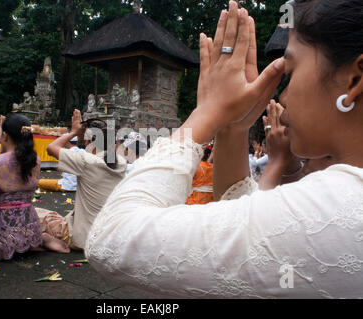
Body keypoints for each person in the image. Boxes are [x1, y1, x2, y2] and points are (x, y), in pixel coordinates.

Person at [85, 0, 363, 298]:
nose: (283, 94)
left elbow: (111, 238)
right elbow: (246, 212)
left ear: (355, 80)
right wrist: (234, 125)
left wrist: (206, 114)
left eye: (291, 72)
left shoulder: (329, 211)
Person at [0, 114, 67, 260]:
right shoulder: (35, 160)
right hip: (29, 228)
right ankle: (38, 239)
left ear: (5, 136)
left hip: (2, 231)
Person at [43, 110, 127, 250]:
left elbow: (51, 148)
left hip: (83, 238)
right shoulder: (121, 162)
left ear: (89, 142)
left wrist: (74, 132)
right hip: (108, 237)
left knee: (36, 216)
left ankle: (50, 242)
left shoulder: (87, 161)